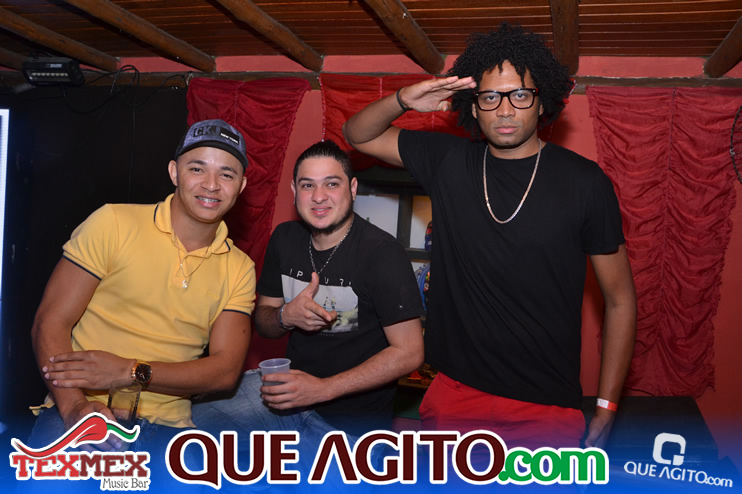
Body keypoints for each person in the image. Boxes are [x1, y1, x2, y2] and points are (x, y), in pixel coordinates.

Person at [342, 23, 637, 452]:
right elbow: (358, 134)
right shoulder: (449, 161)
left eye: (520, 95)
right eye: (490, 97)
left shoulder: (584, 183)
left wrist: (607, 405)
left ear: (542, 103)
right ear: (474, 107)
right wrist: (405, 99)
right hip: (455, 394)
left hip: (545, 405)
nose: (505, 110)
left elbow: (620, 299)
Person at [26, 119, 256, 481]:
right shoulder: (114, 223)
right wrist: (74, 409)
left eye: (226, 174)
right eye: (197, 169)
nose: (211, 184)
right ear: (174, 172)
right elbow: (50, 322)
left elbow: (225, 371)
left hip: (169, 434)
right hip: (83, 411)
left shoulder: (240, 268)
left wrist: (131, 371)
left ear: (240, 186)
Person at [192, 139, 424, 463]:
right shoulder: (285, 239)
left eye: (332, 183)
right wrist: (285, 316)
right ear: (294, 190)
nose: (318, 196)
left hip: (350, 428)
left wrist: (323, 388)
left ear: (352, 188)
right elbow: (264, 321)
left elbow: (410, 353)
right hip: (284, 402)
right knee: (180, 420)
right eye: (307, 185)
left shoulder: (382, 254)